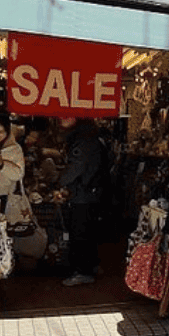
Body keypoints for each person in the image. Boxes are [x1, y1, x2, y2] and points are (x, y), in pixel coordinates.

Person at [57, 118, 108, 287]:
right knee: (88, 230)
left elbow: (76, 167)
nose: (61, 118)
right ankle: (92, 265)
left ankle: (82, 271)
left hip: (83, 193)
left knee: (80, 232)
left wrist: (59, 182)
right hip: (92, 192)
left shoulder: (82, 140)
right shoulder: (92, 137)